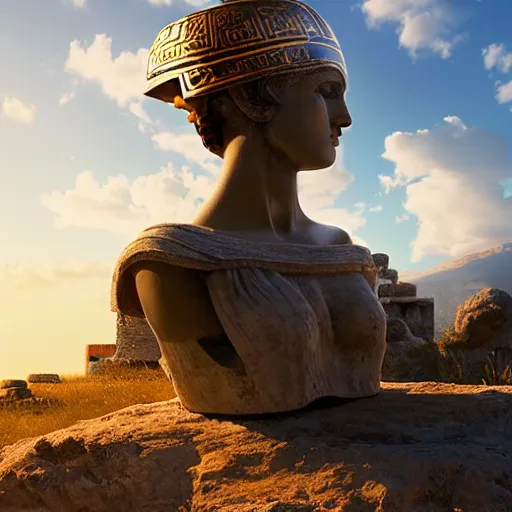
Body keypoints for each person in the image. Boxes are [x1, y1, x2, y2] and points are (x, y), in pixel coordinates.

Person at [111, 0, 387, 415]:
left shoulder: (339, 248)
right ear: (252, 96)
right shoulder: (172, 265)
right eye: (326, 92)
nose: (344, 118)